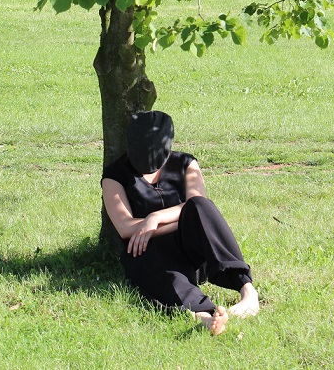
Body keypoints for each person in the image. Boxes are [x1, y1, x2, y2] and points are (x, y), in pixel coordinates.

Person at [101, 111, 259, 335]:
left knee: (203, 207)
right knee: (166, 272)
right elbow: (125, 227)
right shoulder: (115, 176)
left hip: (192, 252)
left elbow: (198, 207)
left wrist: (154, 219)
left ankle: (248, 292)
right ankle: (206, 316)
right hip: (148, 252)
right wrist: (178, 221)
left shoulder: (186, 163)